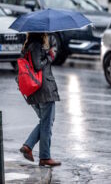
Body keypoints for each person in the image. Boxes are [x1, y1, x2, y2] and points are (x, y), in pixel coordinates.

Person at [19, 33, 61, 167]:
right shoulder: (36, 45)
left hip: (37, 90)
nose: (47, 35)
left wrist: (46, 53)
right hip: (44, 90)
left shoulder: (29, 46)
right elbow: (38, 65)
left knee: (46, 121)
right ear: (41, 34)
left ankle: (28, 146)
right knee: (47, 122)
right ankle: (44, 157)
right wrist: (50, 56)